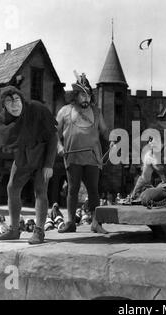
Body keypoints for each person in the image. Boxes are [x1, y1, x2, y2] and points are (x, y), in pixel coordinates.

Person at [0, 86, 57, 244]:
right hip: (22, 159)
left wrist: (49, 164)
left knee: (40, 190)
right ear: (4, 105)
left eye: (16, 100)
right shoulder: (2, 120)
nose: (14, 105)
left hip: (42, 157)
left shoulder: (37, 109)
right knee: (12, 188)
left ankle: (39, 231)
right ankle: (14, 230)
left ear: (22, 100)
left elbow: (53, 137)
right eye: (9, 102)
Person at [56, 72, 114, 233]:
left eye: (88, 94)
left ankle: (96, 222)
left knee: (93, 189)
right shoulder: (64, 111)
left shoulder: (96, 112)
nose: (86, 97)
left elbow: (104, 131)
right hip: (72, 155)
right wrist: (59, 147)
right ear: (76, 95)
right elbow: (55, 133)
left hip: (93, 156)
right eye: (82, 94)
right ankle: (70, 222)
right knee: (72, 189)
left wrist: (112, 139)